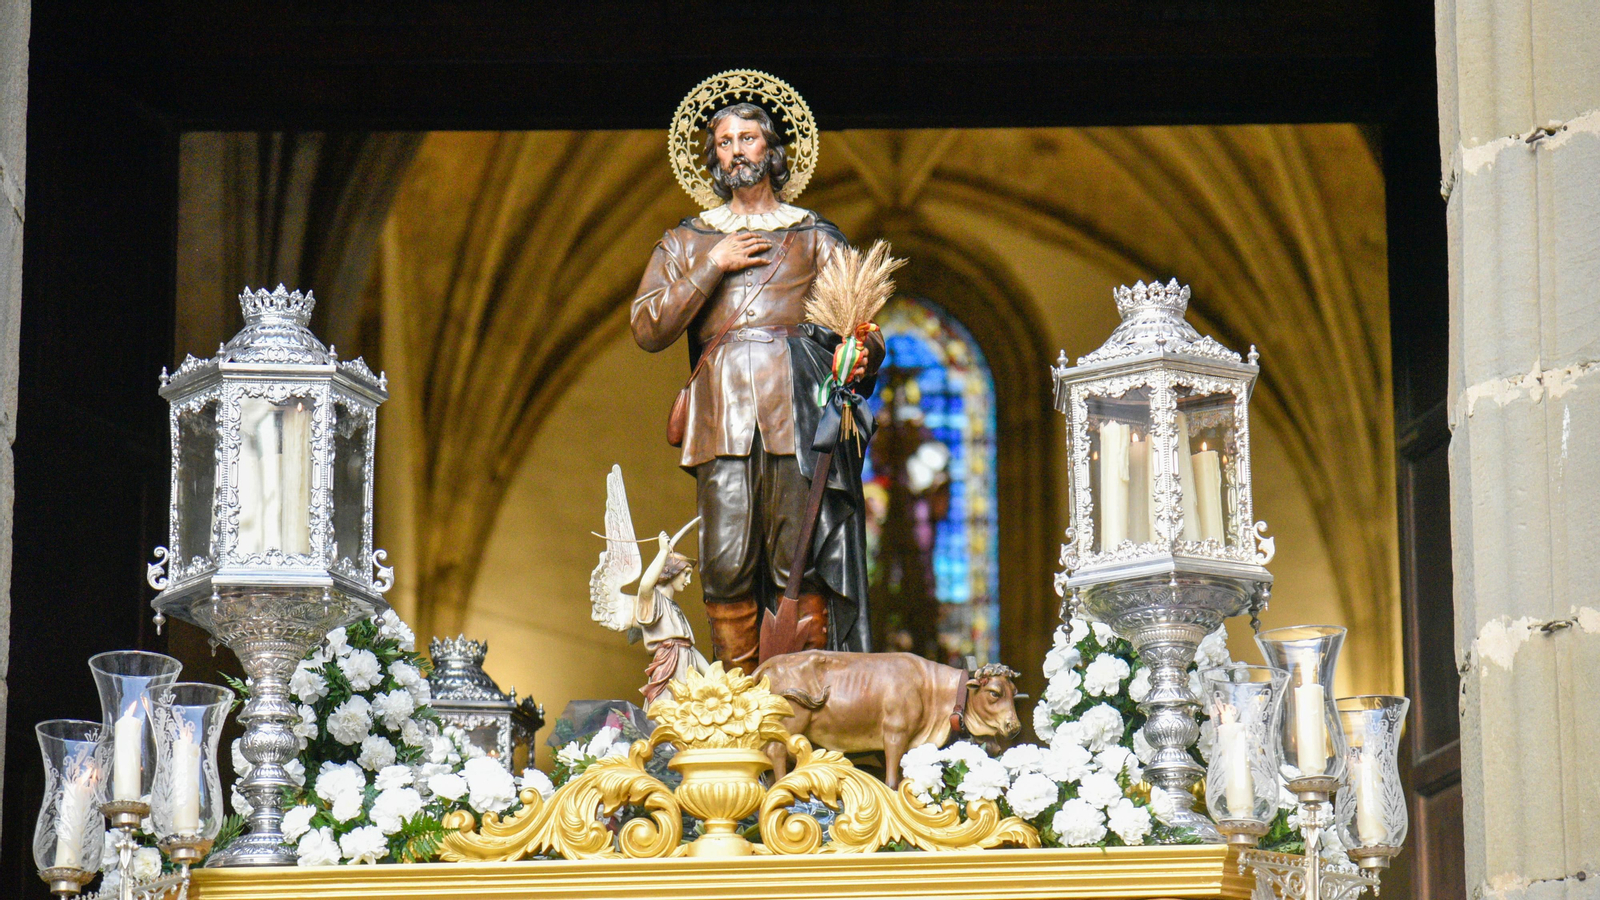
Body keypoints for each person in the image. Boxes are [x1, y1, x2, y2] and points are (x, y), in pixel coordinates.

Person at [631, 96, 884, 672]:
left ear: (771, 149)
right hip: (722, 416)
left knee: (802, 556)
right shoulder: (688, 240)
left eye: (748, 139)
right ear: (712, 157)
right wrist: (710, 264)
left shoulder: (814, 235)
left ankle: (809, 705)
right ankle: (738, 713)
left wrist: (860, 352)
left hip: (797, 408)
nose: (736, 152)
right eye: (724, 142)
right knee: (725, 559)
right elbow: (648, 326)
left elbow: (862, 322)